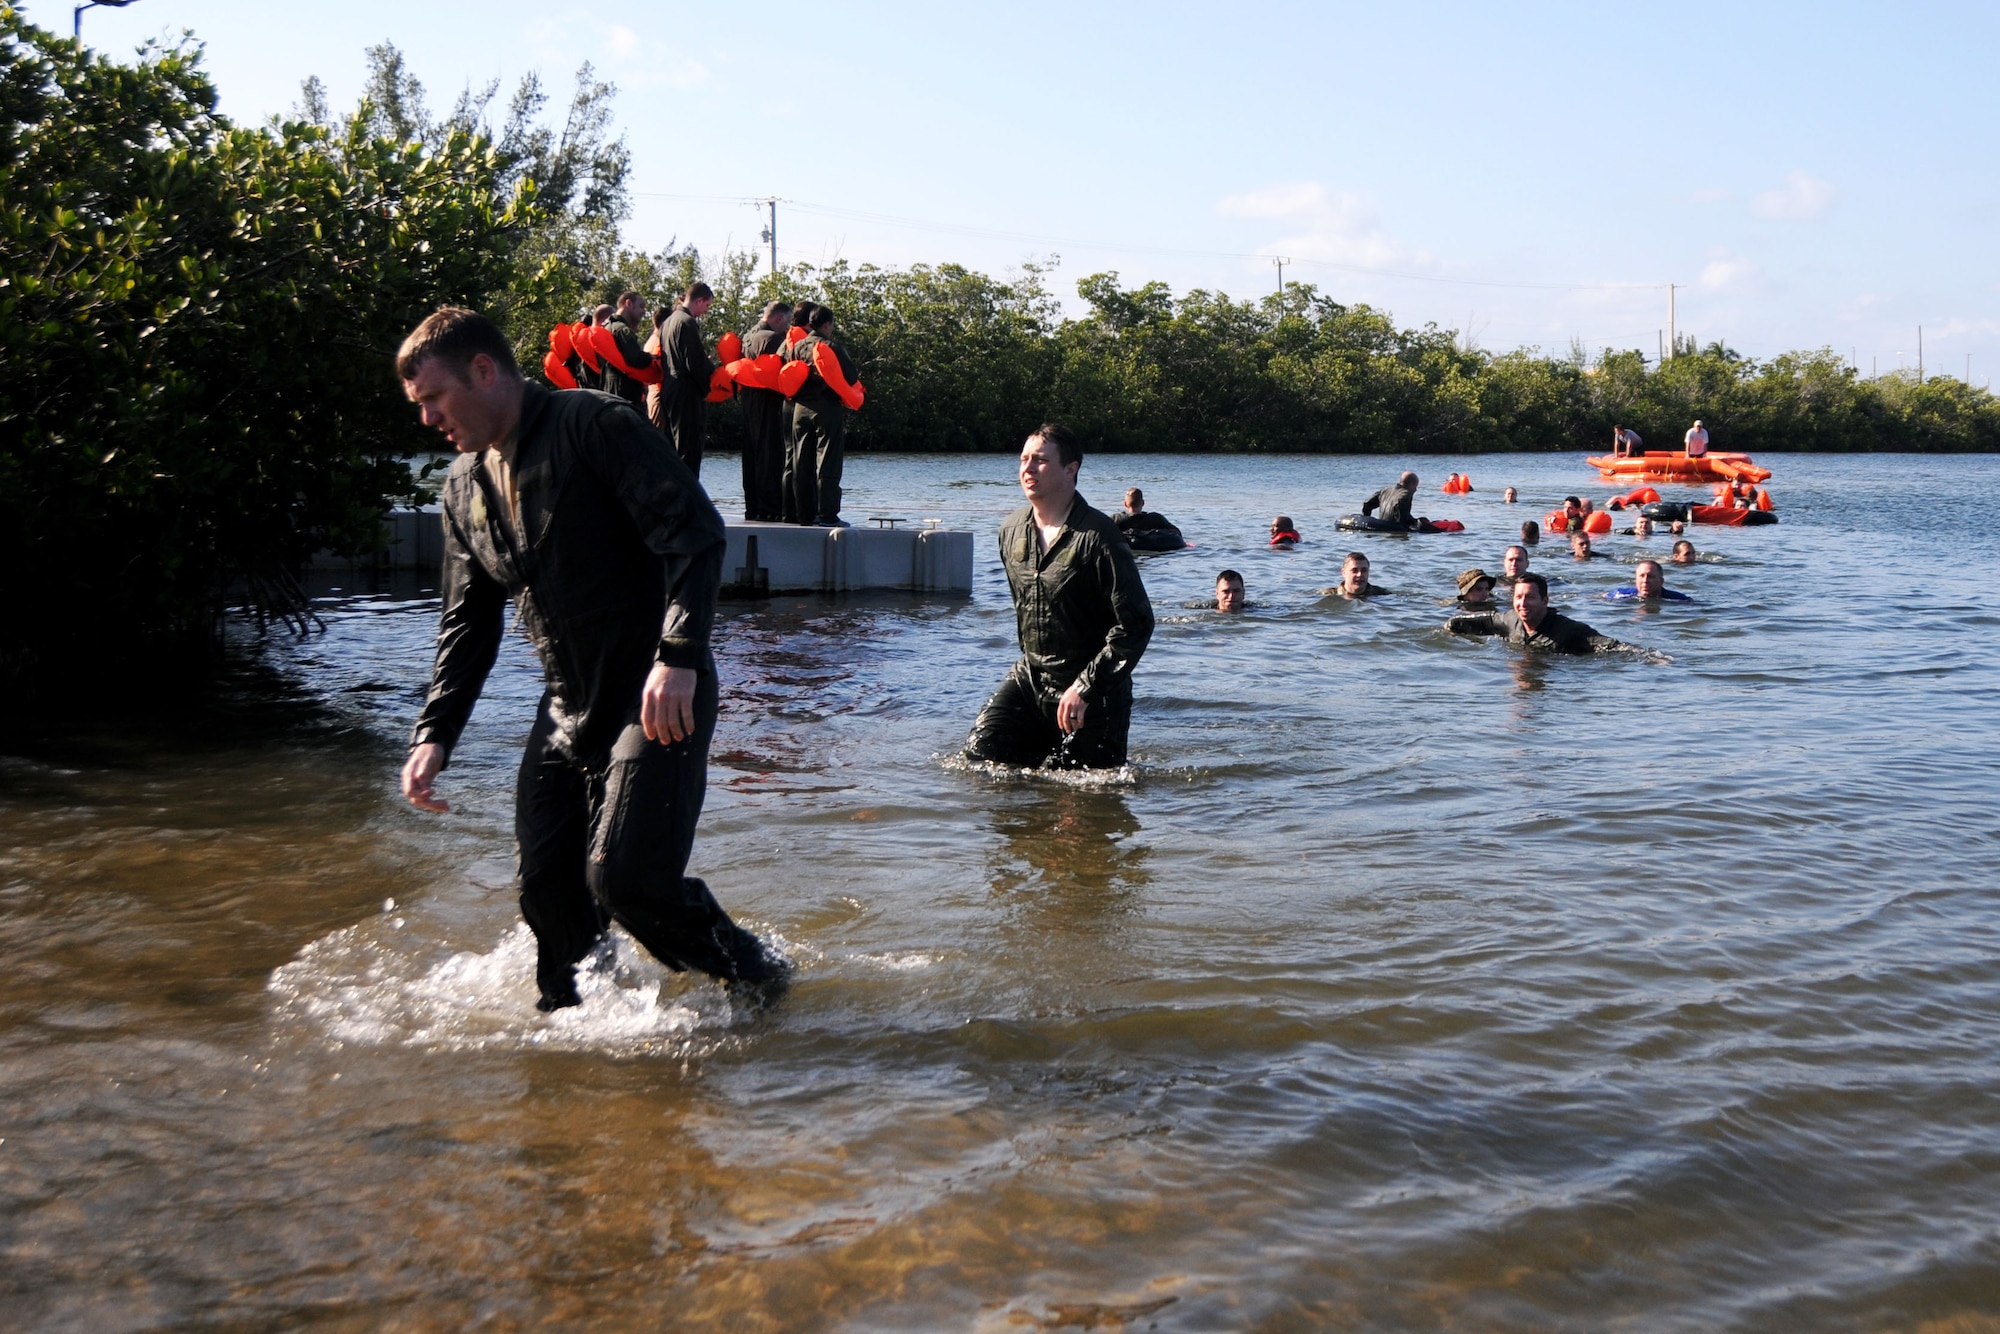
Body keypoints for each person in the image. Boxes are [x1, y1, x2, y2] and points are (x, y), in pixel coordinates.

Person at [395, 307, 785, 1012]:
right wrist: (434, 735)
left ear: (483, 371)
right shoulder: (462, 488)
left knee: (626, 880)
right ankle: (576, 1041)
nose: (427, 419)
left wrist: (680, 655)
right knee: (547, 891)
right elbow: (466, 627)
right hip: (567, 706)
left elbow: (695, 536)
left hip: (656, 693)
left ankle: (759, 982)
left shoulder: (595, 426)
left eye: (433, 399)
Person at [963, 424, 1153, 769]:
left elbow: (1137, 624)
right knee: (978, 760)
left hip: (1094, 691)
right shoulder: (1010, 530)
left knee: (1088, 796)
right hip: (1031, 677)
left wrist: (1085, 686)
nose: (1027, 468)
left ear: (1071, 469)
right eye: (1023, 459)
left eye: (1040, 461)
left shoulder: (1100, 537)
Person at [788, 306, 861, 527]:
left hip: (800, 410)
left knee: (801, 463)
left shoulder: (798, 346)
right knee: (827, 461)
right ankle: (827, 515)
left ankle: (804, 515)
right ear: (827, 324)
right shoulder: (831, 346)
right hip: (826, 409)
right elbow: (850, 376)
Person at [1446, 572, 1628, 654]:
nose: (1522, 603)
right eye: (1518, 597)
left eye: (1530, 597)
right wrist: (1449, 628)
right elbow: (1471, 622)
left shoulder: (1569, 630)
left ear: (1545, 601)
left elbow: (1615, 647)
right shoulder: (1509, 619)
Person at [737, 300, 792, 521]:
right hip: (767, 401)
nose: (787, 327)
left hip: (748, 400)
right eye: (786, 322)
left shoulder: (748, 335)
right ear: (778, 318)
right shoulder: (773, 339)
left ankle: (752, 506)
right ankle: (770, 508)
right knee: (770, 454)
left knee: (751, 454)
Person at [656, 283, 715, 478]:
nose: (705, 312)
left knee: (672, 448)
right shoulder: (687, 322)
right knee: (689, 450)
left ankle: (673, 498)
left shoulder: (668, 322)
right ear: (699, 300)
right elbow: (694, 363)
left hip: (669, 389)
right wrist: (708, 385)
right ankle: (688, 501)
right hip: (686, 392)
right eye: (706, 306)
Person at [777, 302, 818, 522]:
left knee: (789, 457)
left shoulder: (787, 340)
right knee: (804, 460)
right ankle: (806, 511)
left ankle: (788, 511)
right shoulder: (807, 342)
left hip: (786, 402)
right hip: (801, 404)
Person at [596, 291, 658, 411]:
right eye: (641, 306)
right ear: (628, 303)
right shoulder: (621, 330)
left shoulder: (607, 327)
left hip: (610, 393)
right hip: (625, 396)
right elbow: (635, 359)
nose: (643, 311)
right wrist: (652, 358)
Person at [1114, 487, 1187, 551]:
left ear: (1125, 504)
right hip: (1152, 547)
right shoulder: (1155, 518)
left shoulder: (1117, 519)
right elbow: (1177, 532)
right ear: (1143, 503)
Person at [1604, 558, 1691, 602]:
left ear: (1661, 581)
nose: (1645, 580)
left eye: (1650, 576)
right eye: (1642, 576)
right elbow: (1599, 597)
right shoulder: (1620, 594)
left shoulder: (1679, 600)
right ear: (1636, 579)